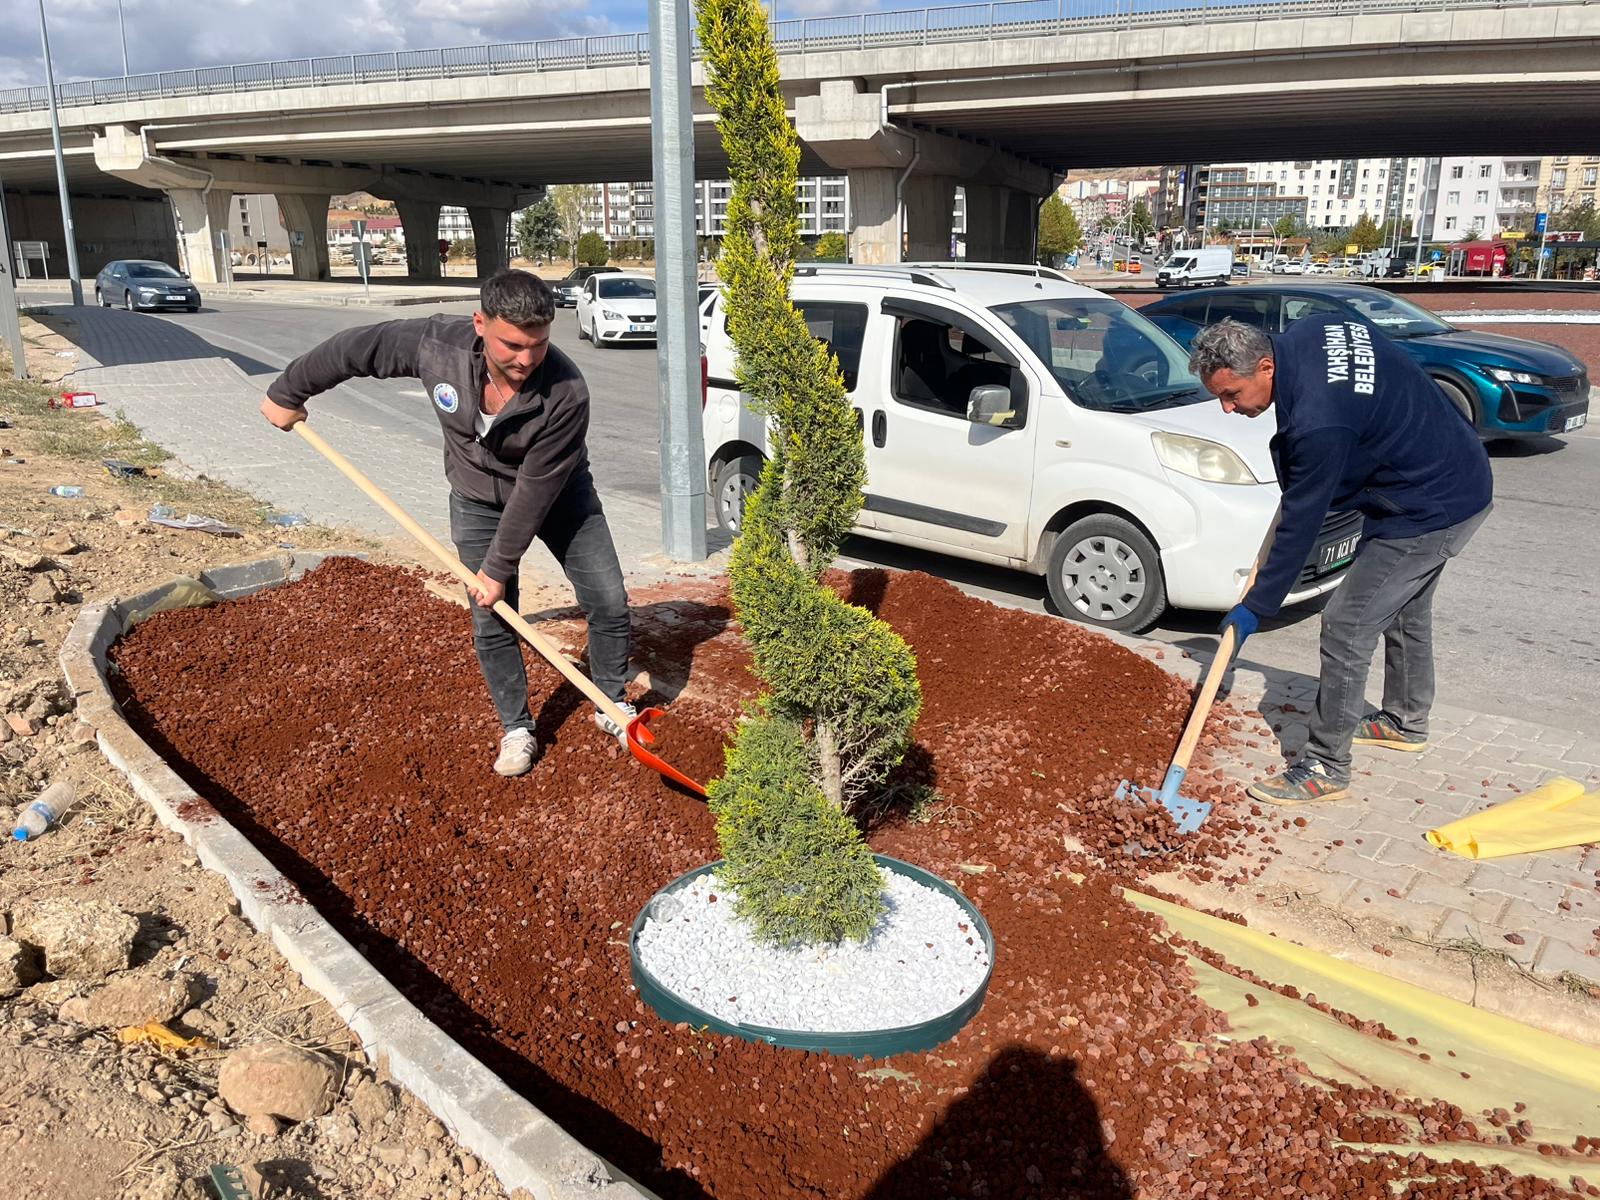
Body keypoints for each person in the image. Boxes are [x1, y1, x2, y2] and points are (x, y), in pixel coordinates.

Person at [260, 269, 633, 778]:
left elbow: (534, 491)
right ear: (480, 323)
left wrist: (498, 567)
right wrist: (288, 390)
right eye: (512, 345)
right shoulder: (437, 345)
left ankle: (611, 704)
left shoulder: (567, 393)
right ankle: (517, 728)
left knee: (608, 598)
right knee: (492, 614)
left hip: (559, 492)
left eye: (538, 345)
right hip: (476, 497)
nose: (526, 359)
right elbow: (355, 349)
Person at [1189, 316, 1492, 806]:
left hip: (1430, 506)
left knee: (1348, 622)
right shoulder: (1315, 330)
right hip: (1451, 470)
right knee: (1405, 608)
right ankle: (1405, 720)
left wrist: (1257, 604)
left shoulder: (1319, 421)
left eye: (1232, 394)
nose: (1227, 407)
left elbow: (1302, 524)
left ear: (1266, 366)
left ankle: (1326, 765)